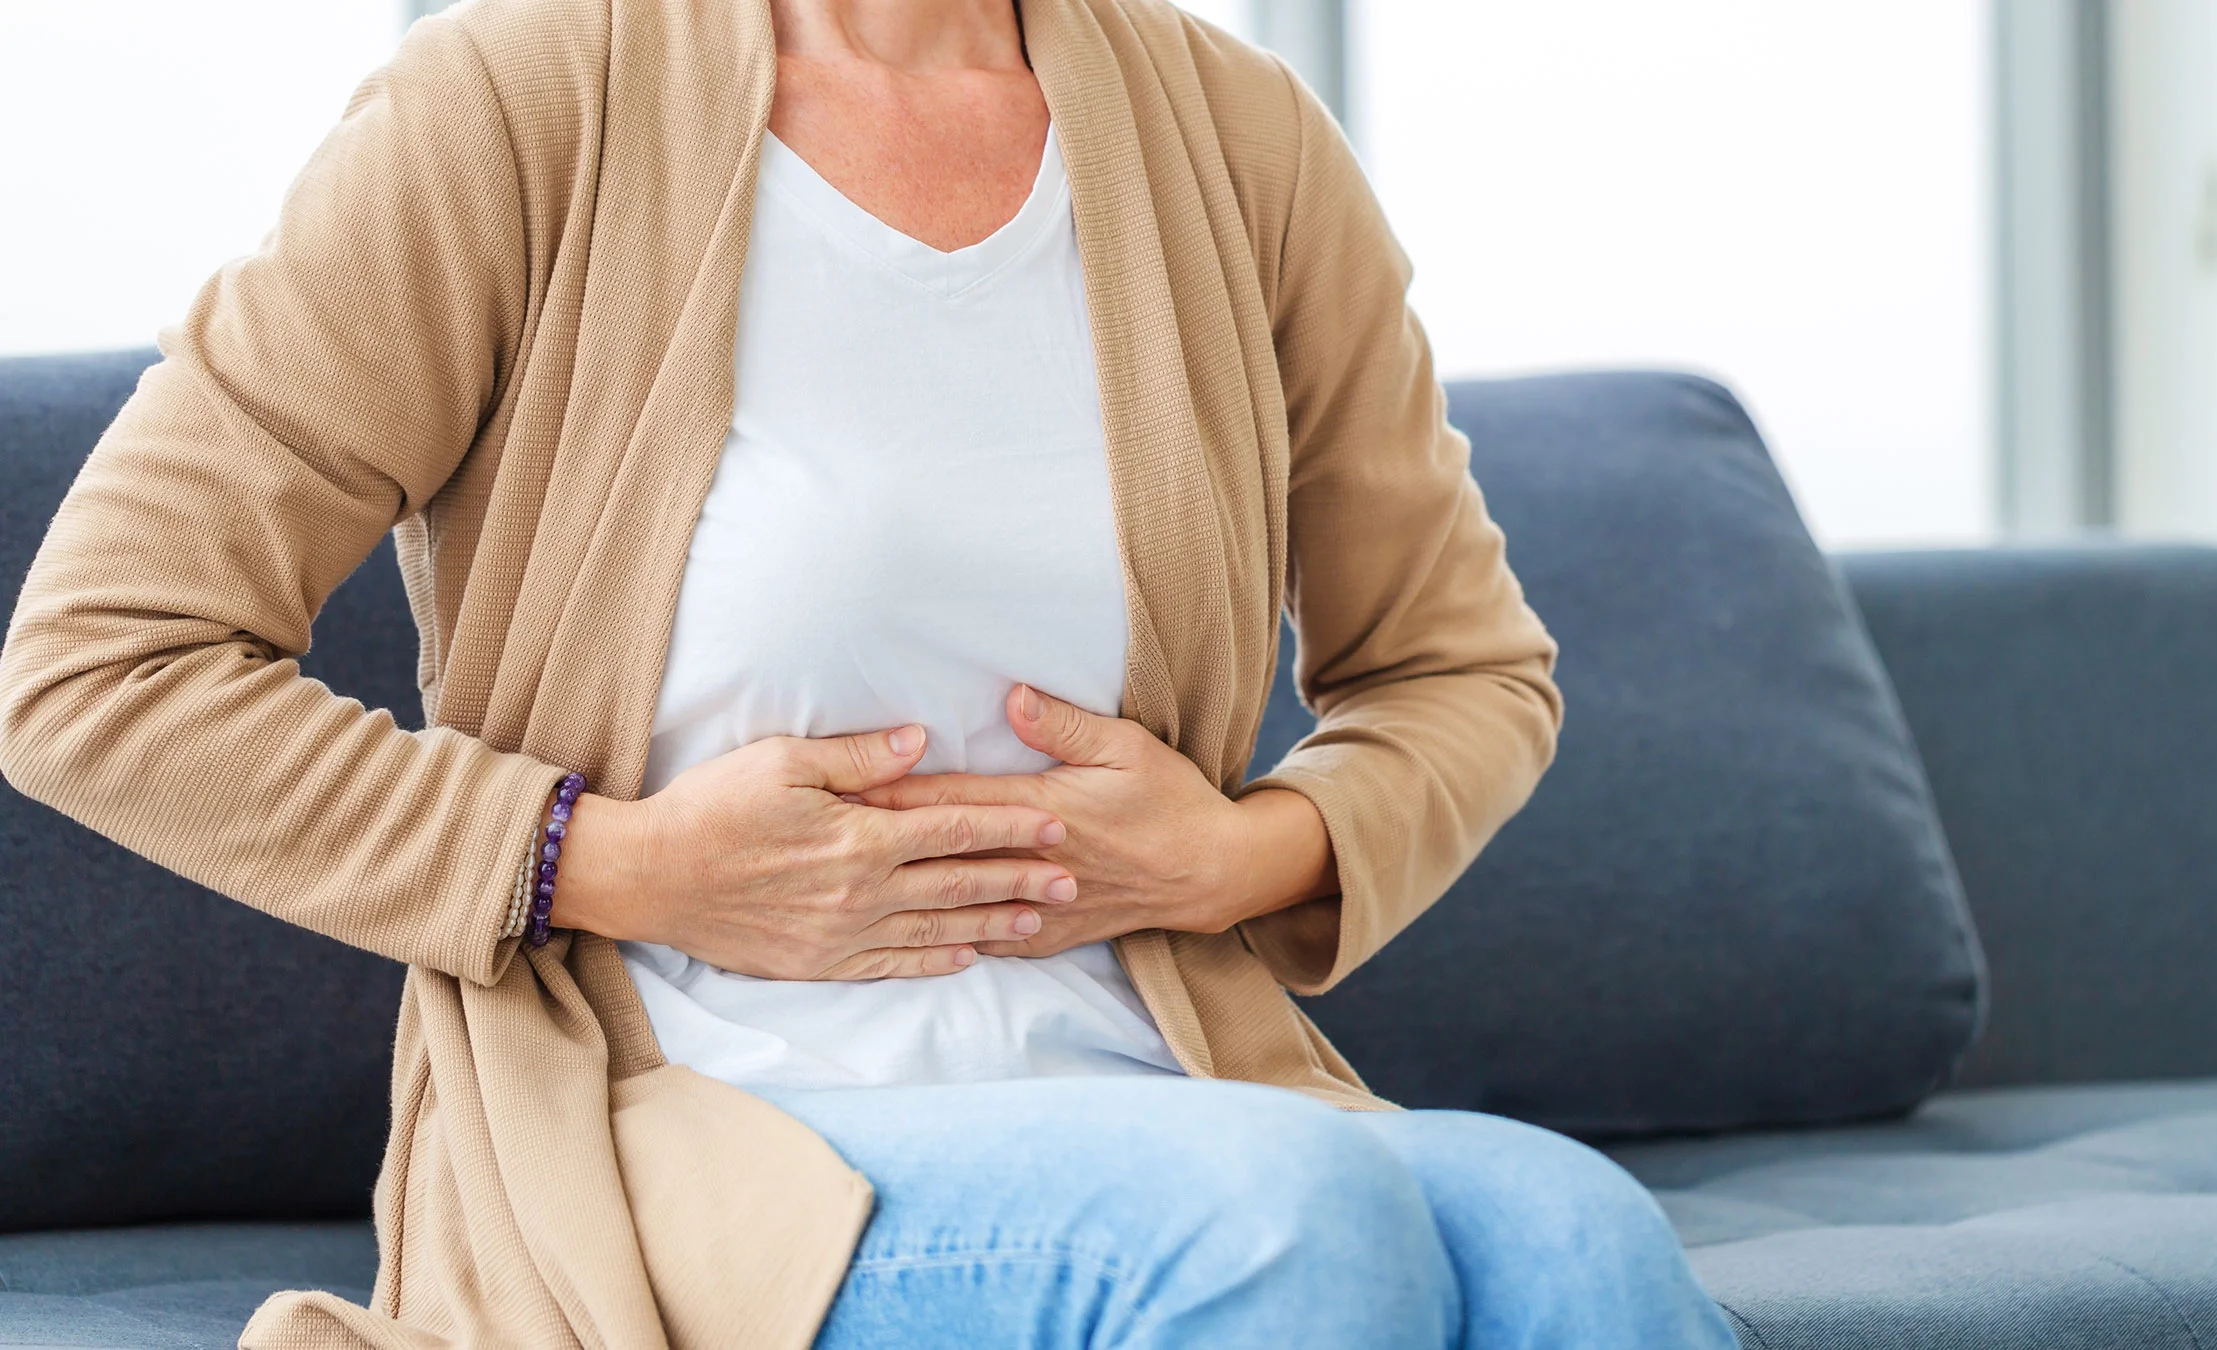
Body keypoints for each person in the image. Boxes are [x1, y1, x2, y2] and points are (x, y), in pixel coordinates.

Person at [0, 0, 1739, 1345]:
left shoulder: (1241, 139)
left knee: (1573, 1231)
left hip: (1157, 1079)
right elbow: (96, 662)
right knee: (1283, 1215)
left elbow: (1465, 668)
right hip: (690, 1113)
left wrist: (1246, 849)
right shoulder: (516, 104)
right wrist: (602, 859)